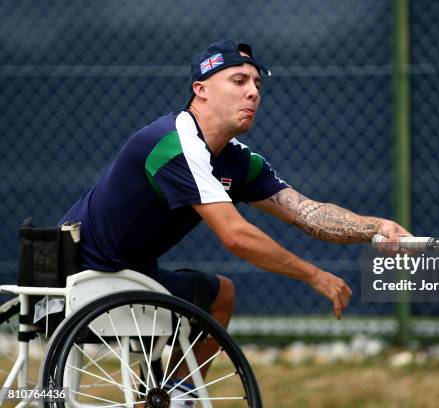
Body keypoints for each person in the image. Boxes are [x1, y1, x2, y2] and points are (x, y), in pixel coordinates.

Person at [60, 39, 411, 404]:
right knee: (218, 291)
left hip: (133, 279)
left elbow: (310, 214)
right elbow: (235, 236)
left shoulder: (239, 161)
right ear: (201, 89)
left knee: (220, 295)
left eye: (258, 84)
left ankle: (177, 397)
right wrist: (314, 275)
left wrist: (376, 228)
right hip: (82, 276)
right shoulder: (173, 143)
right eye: (239, 81)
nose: (253, 93)